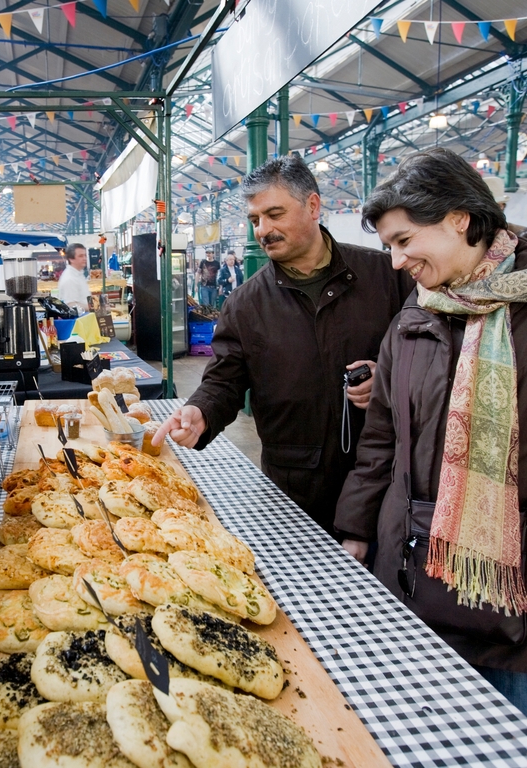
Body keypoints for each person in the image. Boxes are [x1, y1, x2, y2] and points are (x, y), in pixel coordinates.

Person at [335, 148, 527, 713]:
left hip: (510, 601)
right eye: (388, 246)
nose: (396, 262)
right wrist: (356, 531)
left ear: (458, 219)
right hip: (413, 574)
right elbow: (381, 440)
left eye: (403, 240)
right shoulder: (412, 320)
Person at [153, 154, 413, 533]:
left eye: (275, 214)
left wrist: (387, 376)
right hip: (295, 490)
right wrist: (201, 412)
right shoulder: (245, 304)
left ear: (312, 205)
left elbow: (427, 354)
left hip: (385, 479)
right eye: (255, 219)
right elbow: (223, 381)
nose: (263, 229)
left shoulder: (386, 276)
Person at [58, 243, 90, 312]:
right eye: (81, 256)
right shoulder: (70, 278)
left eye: (85, 255)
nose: (84, 258)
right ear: (71, 259)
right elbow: (70, 305)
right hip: (78, 321)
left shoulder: (78, 274)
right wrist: (93, 307)